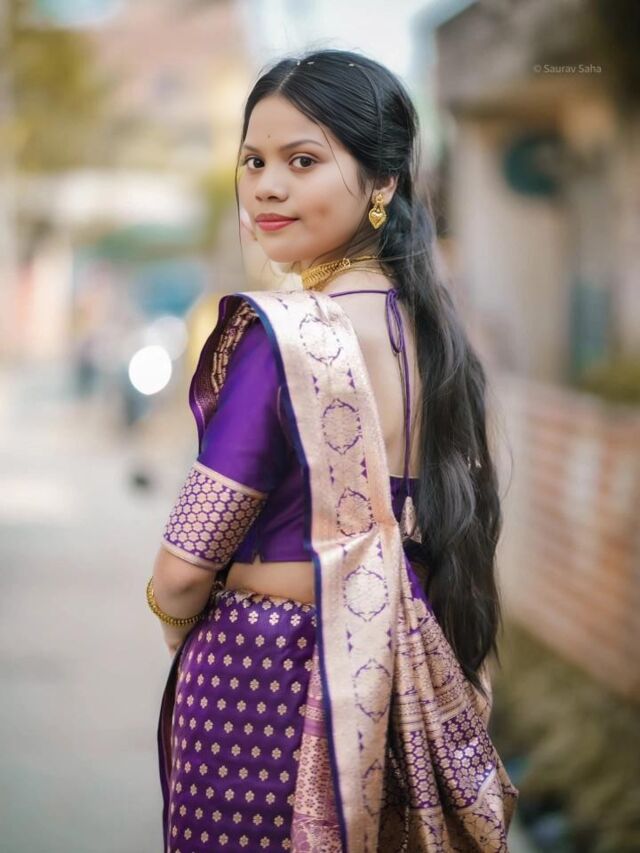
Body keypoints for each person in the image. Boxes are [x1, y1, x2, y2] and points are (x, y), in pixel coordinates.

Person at [148, 49, 519, 852]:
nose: (266, 186)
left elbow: (182, 566)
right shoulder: (438, 338)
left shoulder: (282, 335)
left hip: (264, 680)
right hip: (402, 676)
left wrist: (183, 628)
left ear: (382, 182)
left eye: (302, 160)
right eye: (253, 160)